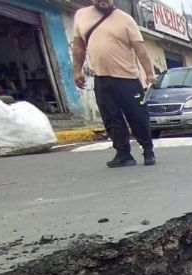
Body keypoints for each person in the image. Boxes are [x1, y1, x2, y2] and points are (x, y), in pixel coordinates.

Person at [72, 0, 157, 168]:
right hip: (101, 78)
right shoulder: (81, 16)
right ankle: (123, 154)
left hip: (128, 79)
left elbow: (140, 48)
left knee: (138, 116)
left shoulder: (126, 19)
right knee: (111, 118)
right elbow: (78, 47)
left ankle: (148, 150)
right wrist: (77, 70)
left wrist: (149, 74)